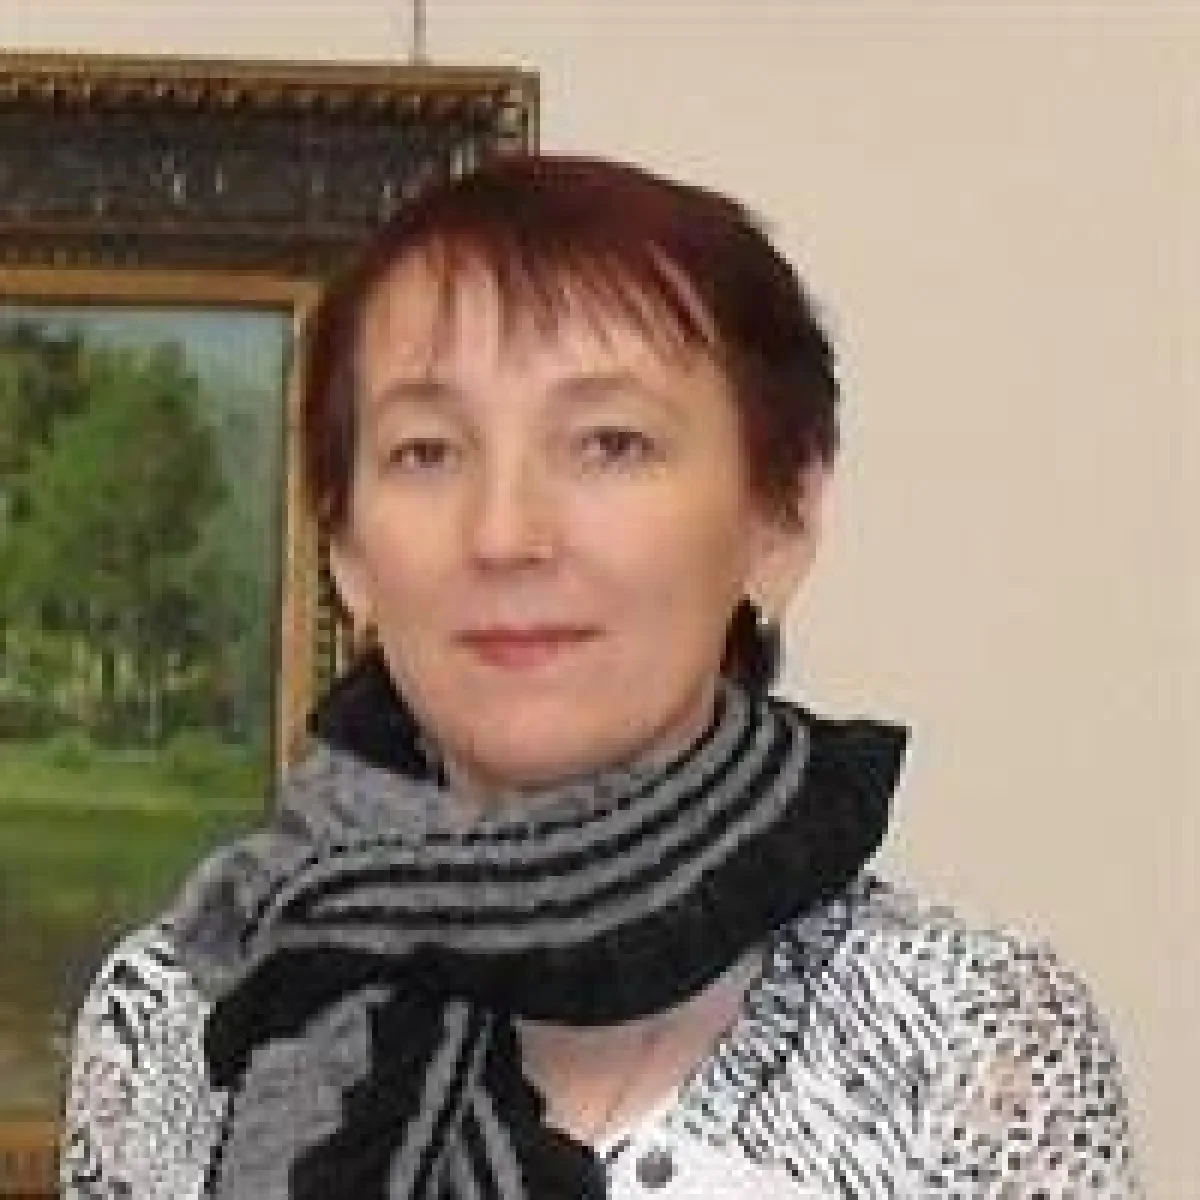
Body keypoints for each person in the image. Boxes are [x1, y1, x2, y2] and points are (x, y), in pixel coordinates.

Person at [61, 155, 1140, 1198]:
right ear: (346, 550)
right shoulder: (183, 1014)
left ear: (780, 517)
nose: (504, 534)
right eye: (427, 451)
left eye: (610, 443)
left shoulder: (968, 1039)